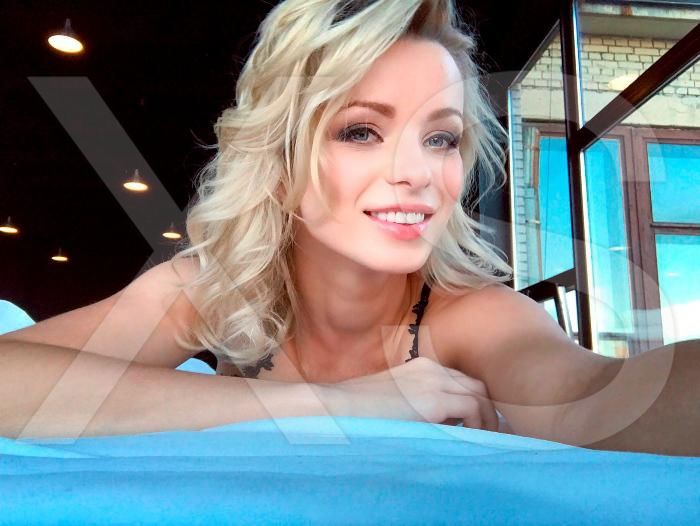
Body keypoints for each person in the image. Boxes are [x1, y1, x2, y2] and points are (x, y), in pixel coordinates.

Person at [1, 0, 697, 456]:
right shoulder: (212, 291)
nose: (418, 174)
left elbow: (595, 401)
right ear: (280, 161)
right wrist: (334, 405)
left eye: (440, 138)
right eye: (361, 131)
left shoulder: (474, 316)